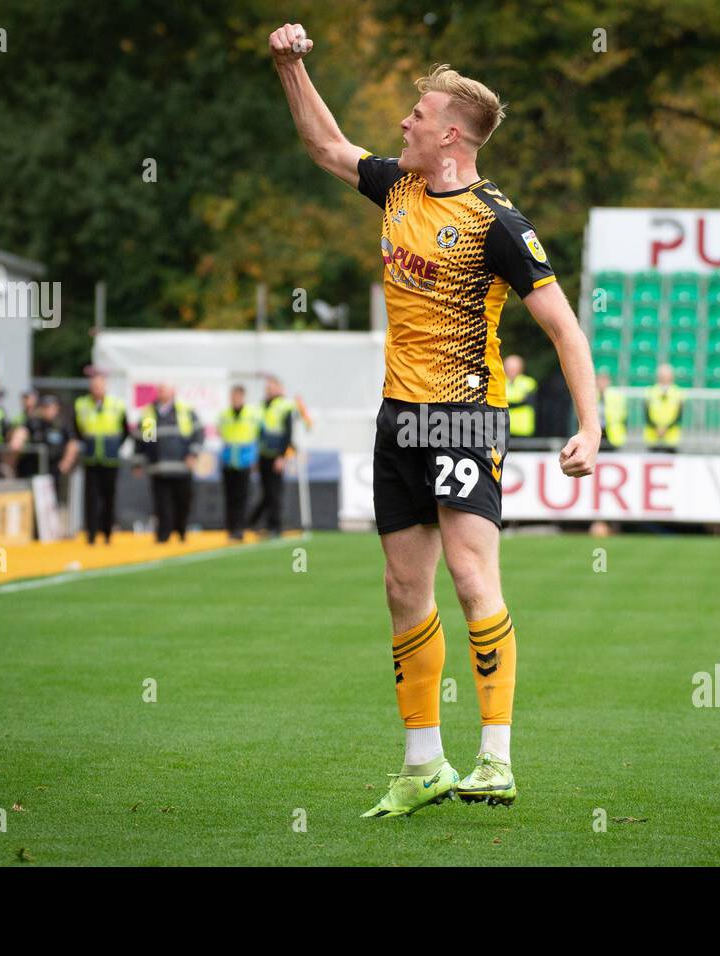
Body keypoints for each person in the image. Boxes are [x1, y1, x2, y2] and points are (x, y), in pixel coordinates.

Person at [271, 25, 599, 817]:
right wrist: (290, 67)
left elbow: (563, 327)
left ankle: (496, 756)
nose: (405, 125)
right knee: (401, 587)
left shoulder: (498, 222)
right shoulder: (399, 188)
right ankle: (424, 764)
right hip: (399, 418)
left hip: (464, 416)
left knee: (470, 574)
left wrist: (589, 424)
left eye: (418, 114)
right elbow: (327, 148)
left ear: (452, 134)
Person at [62, 372, 130, 545]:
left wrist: (114, 447)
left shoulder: (116, 405)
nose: (96, 390)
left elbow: (125, 431)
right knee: (91, 498)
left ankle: (107, 533)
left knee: (109, 498)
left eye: (99, 386)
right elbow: (76, 430)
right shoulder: (82, 405)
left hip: (110, 459)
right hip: (91, 459)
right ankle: (91, 534)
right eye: (94, 386)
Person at [136, 384, 201, 543]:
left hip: (182, 467)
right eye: (160, 390)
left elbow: (198, 434)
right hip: (159, 468)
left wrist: (193, 454)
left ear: (173, 392)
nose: (161, 392)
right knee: (162, 504)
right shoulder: (149, 413)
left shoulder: (185, 411)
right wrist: (139, 462)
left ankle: (181, 531)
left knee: (183, 501)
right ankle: (163, 535)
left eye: (165, 389)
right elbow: (145, 441)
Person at [248, 376, 295, 537]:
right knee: (266, 491)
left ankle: (275, 526)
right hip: (262, 454)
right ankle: (264, 524)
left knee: (274, 492)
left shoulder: (285, 406)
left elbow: (288, 434)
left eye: (271, 387)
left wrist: (282, 457)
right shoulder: (261, 406)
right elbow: (256, 432)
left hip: (276, 455)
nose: (268, 390)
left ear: (280, 388)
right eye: (267, 388)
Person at [217, 385, 262, 540]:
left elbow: (257, 436)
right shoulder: (225, 414)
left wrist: (255, 459)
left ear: (243, 397)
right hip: (228, 460)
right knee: (229, 497)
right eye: (233, 396)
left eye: (238, 396)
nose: (235, 399)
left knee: (242, 497)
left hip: (245, 461)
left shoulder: (251, 414)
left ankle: (240, 529)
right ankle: (230, 529)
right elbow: (220, 433)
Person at [644, 363, 684, 452]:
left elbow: (679, 415)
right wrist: (656, 427)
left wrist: (666, 428)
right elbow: (646, 413)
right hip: (652, 436)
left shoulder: (678, 392)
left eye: (666, 375)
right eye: (662, 375)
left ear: (671, 376)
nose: (664, 378)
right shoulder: (650, 391)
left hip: (672, 438)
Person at [503, 354, 537, 439]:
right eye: (509, 367)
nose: (511, 370)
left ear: (521, 368)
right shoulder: (499, 382)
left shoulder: (529, 382)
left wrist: (506, 403)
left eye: (514, 367)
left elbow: (527, 401)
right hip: (502, 429)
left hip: (523, 430)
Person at [596, 371, 627, 450]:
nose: (601, 383)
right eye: (599, 380)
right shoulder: (592, 395)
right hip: (596, 432)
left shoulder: (617, 395)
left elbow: (623, 415)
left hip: (612, 433)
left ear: (609, 381)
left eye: (604, 380)